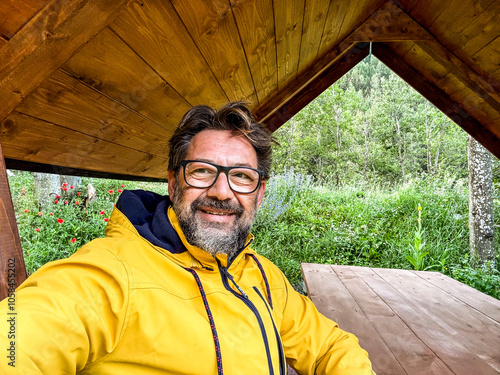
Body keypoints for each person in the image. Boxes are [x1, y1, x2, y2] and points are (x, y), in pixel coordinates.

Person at [0, 102, 374, 374]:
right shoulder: (111, 273)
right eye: (202, 171)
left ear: (259, 194)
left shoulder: (260, 275)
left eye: (242, 176)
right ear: (174, 181)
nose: (222, 192)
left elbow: (329, 345)